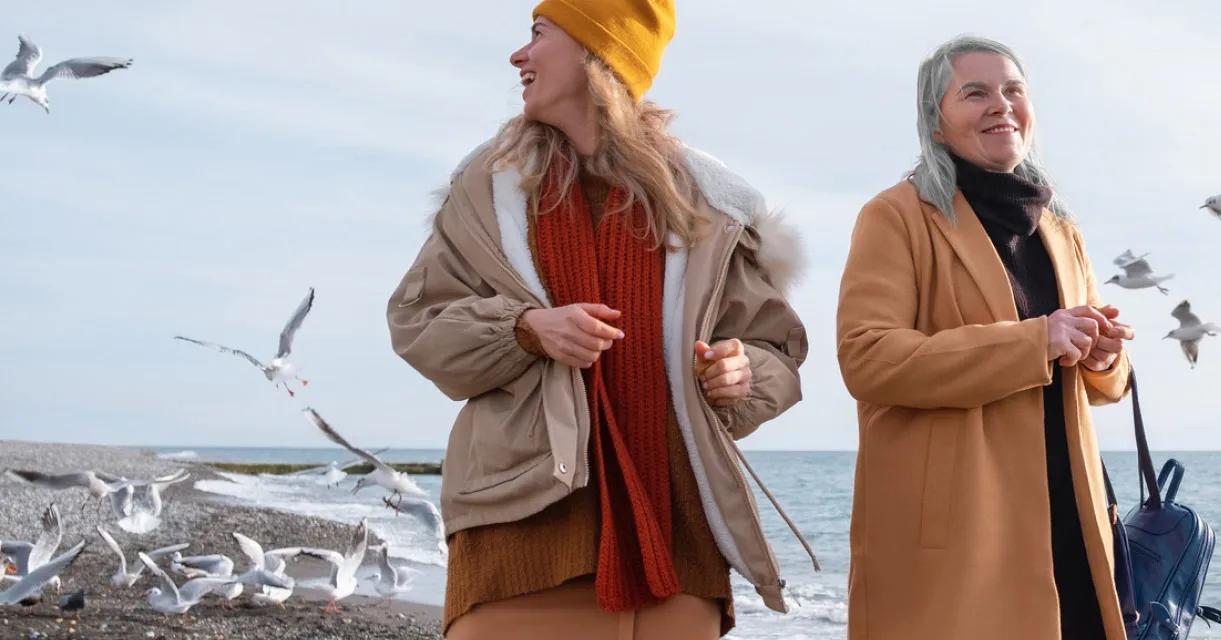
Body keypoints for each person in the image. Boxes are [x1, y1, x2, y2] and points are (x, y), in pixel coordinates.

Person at [386, 1, 810, 637]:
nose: (517, 56)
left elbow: (775, 346)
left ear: (597, 52)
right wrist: (525, 329)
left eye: (537, 35)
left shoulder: (707, 203)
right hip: (519, 530)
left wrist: (742, 372)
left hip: (677, 540)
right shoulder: (487, 189)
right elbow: (418, 322)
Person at [836, 35, 1136, 640]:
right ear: (937, 123)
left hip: (1071, 522)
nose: (1000, 104)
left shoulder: (1059, 229)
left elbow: (1099, 386)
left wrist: (1103, 355)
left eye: (1013, 90)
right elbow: (867, 359)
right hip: (965, 530)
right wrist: (1035, 341)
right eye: (975, 93)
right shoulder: (896, 216)